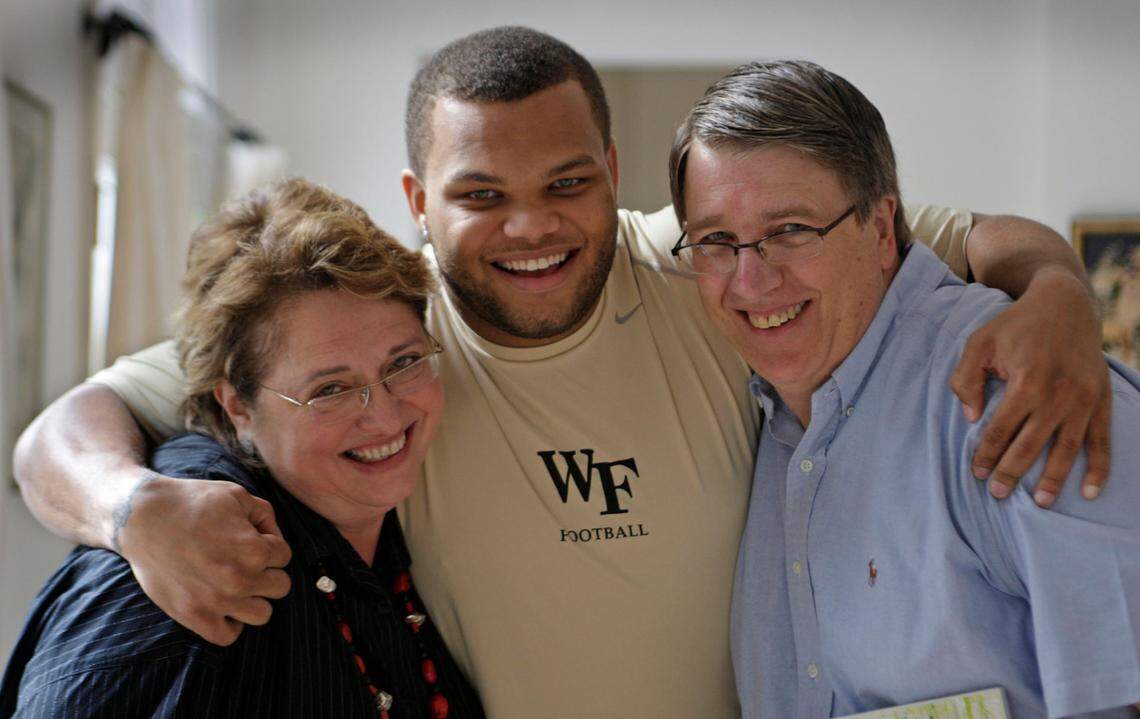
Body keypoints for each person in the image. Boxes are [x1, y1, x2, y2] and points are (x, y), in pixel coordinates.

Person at [12, 27, 1112, 718]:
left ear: (616, 176)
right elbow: (60, 429)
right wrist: (131, 506)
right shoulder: (382, 331)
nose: (531, 225)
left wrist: (1061, 295)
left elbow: (973, 238)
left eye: (568, 181)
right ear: (416, 200)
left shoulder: (708, 262)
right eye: (482, 193)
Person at [668, 59, 1140, 717]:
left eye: (791, 231)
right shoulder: (777, 422)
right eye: (717, 240)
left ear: (882, 228)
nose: (750, 281)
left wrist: (1061, 284)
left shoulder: (1027, 394)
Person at [0, 179, 484, 718]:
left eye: (403, 362)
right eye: (330, 389)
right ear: (237, 407)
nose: (387, 415)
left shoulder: (379, 532)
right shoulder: (182, 574)